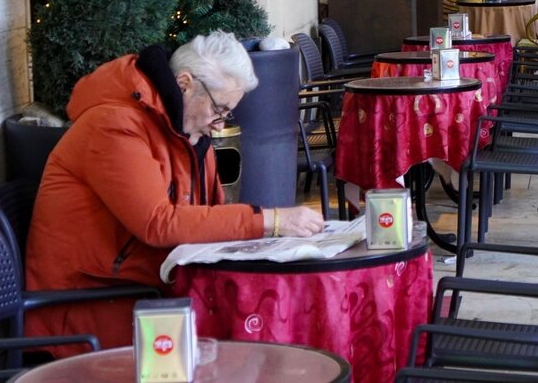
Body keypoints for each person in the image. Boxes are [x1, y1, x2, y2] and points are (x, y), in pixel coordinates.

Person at [25, 30, 325, 356]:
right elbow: (158, 223)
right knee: (250, 339)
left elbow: (208, 215)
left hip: (144, 289)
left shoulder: (185, 131)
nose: (221, 125)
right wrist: (270, 220)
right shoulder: (113, 125)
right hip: (88, 309)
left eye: (228, 113)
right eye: (219, 109)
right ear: (184, 84)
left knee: (267, 323)